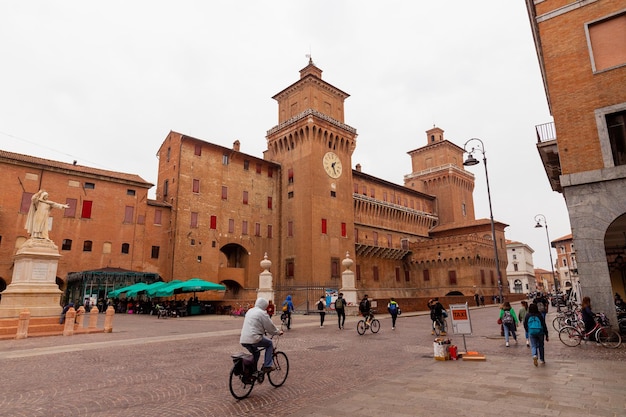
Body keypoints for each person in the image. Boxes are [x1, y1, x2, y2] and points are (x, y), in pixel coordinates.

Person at [240, 297, 283, 373]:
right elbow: (270, 327)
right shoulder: (262, 313)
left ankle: (253, 372)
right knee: (269, 343)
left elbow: (254, 324)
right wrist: (278, 332)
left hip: (243, 339)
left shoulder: (250, 311)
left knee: (256, 353)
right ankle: (267, 366)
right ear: (264, 306)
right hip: (254, 338)